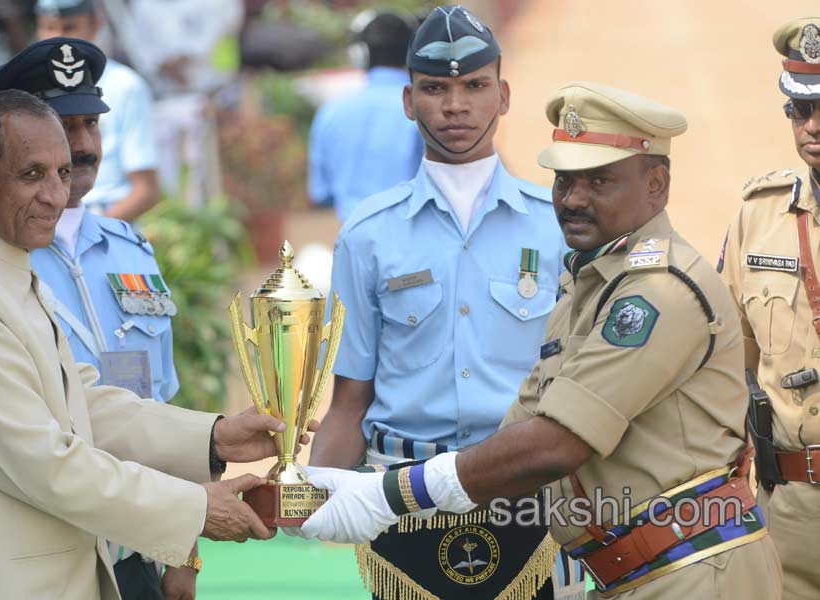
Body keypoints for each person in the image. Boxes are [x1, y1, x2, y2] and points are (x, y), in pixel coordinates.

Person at [298, 81, 785, 599]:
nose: (573, 200)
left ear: (656, 185)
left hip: (695, 570)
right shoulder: (585, 284)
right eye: (563, 181)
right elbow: (519, 434)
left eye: (599, 181)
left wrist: (390, 494)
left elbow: (555, 444)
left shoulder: (657, 292)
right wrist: (376, 490)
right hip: (639, 571)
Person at [0, 89, 295, 599]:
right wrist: (196, 510)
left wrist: (214, 436)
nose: (55, 195)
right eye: (31, 174)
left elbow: (79, 401)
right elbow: (44, 462)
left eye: (62, 173)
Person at [308, 6, 565, 599]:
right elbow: (351, 399)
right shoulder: (368, 233)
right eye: (435, 88)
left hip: (522, 500)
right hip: (403, 504)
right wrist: (312, 488)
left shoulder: (554, 227)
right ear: (408, 101)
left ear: (502, 96)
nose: (455, 106)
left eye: (474, 86)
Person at [0, 37, 190, 599]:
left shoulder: (130, 250)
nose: (83, 145)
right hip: (43, 557)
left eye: (91, 124)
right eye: (63, 129)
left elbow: (160, 402)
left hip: (135, 550)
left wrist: (185, 547)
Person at [719, 17, 820, 600]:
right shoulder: (757, 216)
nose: (812, 126)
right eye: (799, 111)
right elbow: (727, 359)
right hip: (788, 517)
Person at [36, 0, 160, 222]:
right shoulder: (29, 89)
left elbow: (145, 190)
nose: (59, 39)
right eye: (50, 27)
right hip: (49, 223)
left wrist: (92, 233)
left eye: (70, 27)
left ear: (95, 24)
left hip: (109, 218)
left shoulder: (125, 86)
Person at [307, 9, 423, 223]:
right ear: (413, 52)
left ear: (359, 55)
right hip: (417, 246)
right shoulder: (426, 109)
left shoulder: (330, 113)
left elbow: (321, 194)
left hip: (354, 246)